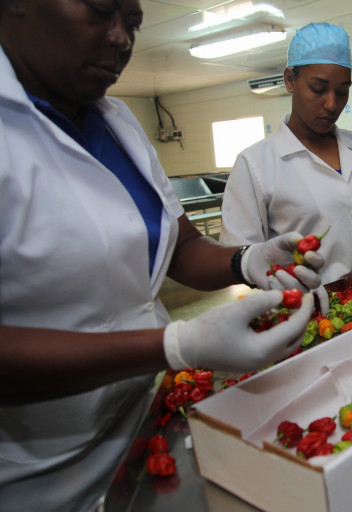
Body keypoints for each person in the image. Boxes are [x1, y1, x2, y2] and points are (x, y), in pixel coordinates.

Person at [0, 1, 324, 511]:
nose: (121, 39)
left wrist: (244, 260)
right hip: (38, 473)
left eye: (132, 23)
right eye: (99, 10)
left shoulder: (117, 122)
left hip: (140, 423)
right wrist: (174, 344)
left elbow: (182, 245)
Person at [219, 22, 352, 300]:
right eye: (318, 89)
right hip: (301, 311)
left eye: (342, 91)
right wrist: (283, 277)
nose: (332, 104)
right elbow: (237, 257)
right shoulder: (255, 164)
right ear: (290, 80)